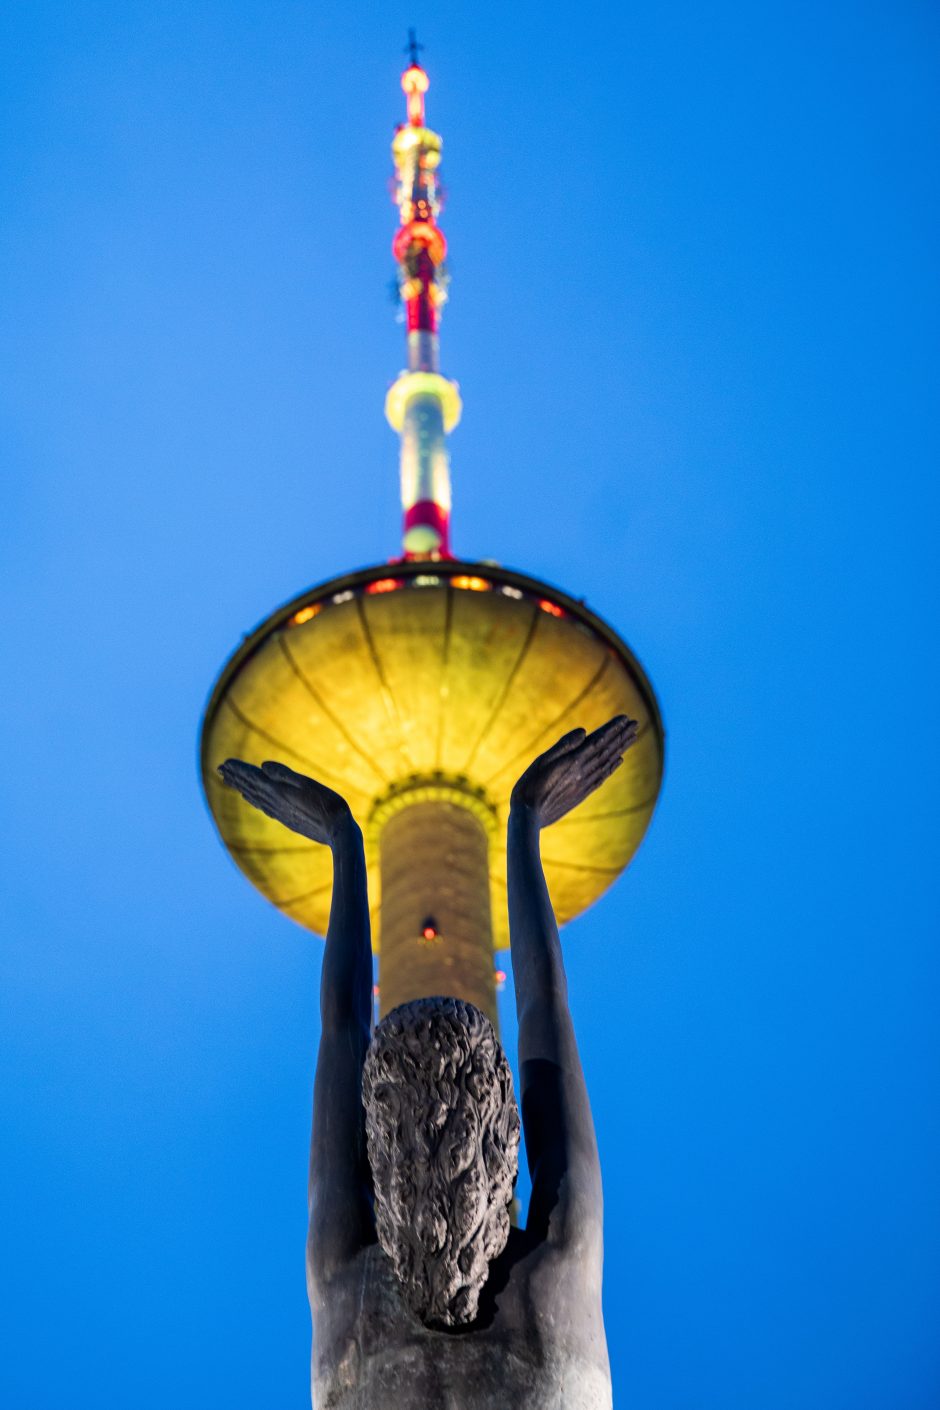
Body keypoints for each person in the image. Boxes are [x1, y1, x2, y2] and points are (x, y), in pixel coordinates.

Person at [220, 714, 637, 1409]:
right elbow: (544, 1012)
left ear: (378, 1145)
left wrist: (345, 845)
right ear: (506, 1132)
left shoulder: (347, 1291)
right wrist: (525, 822)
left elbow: (341, 1027)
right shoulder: (555, 1279)